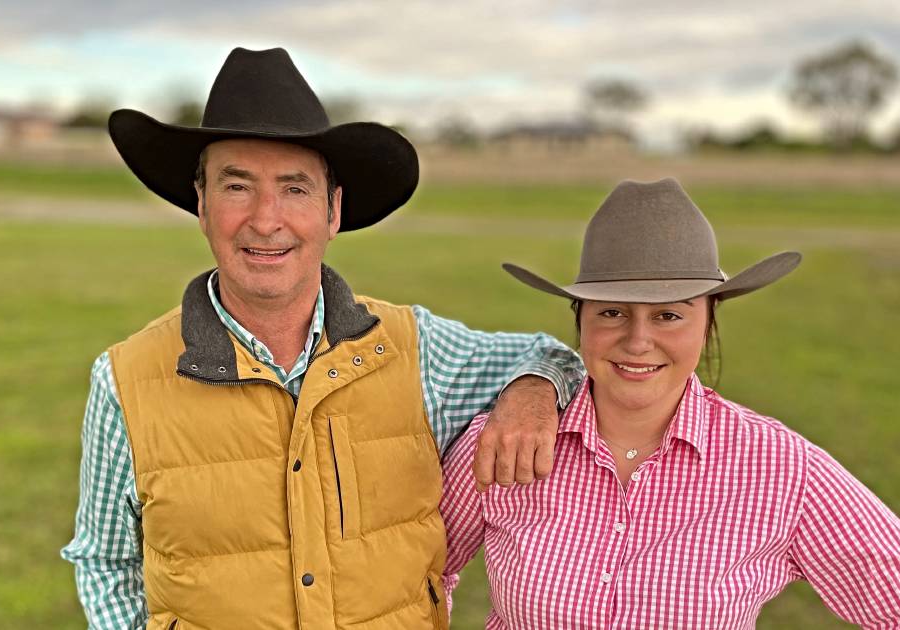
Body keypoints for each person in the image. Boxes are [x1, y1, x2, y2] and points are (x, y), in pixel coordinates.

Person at [60, 47, 583, 630]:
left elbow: (554, 354)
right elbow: (105, 561)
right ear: (201, 204)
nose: (265, 219)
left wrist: (534, 389)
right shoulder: (124, 380)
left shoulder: (419, 349)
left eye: (295, 188)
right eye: (237, 187)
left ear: (334, 211)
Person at [440, 179, 900, 629]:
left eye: (669, 315)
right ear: (579, 320)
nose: (637, 340)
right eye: (611, 313)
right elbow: (417, 575)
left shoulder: (782, 469)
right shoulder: (504, 442)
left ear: (707, 322)